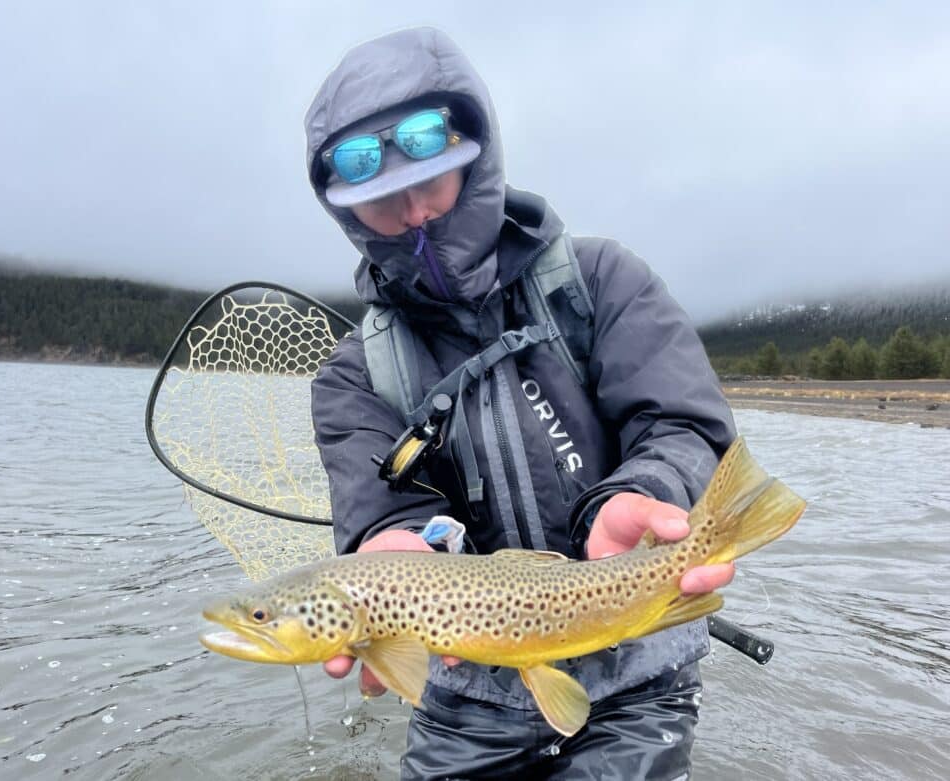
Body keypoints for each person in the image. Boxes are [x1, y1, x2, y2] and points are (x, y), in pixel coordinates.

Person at [306, 27, 737, 780]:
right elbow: (380, 516)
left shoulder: (602, 280)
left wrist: (649, 492)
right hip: (466, 688)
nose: (414, 215)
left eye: (432, 184)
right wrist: (388, 547)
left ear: (477, 160)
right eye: (382, 202)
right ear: (349, 213)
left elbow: (682, 423)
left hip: (636, 665)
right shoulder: (350, 378)